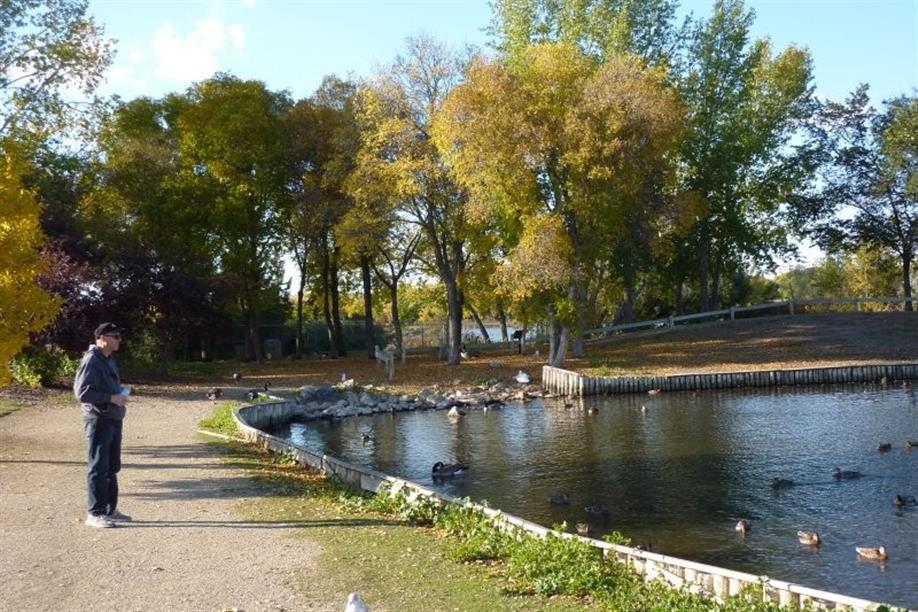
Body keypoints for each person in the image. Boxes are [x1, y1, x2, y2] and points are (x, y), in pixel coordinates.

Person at [73, 322, 131, 528]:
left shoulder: (109, 359)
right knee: (98, 466)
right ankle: (95, 513)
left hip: (113, 418)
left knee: (112, 466)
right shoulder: (92, 360)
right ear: (102, 338)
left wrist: (119, 396)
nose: (119, 340)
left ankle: (109, 509)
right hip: (99, 419)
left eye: (119, 336)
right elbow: (82, 393)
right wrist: (111, 398)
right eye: (115, 336)